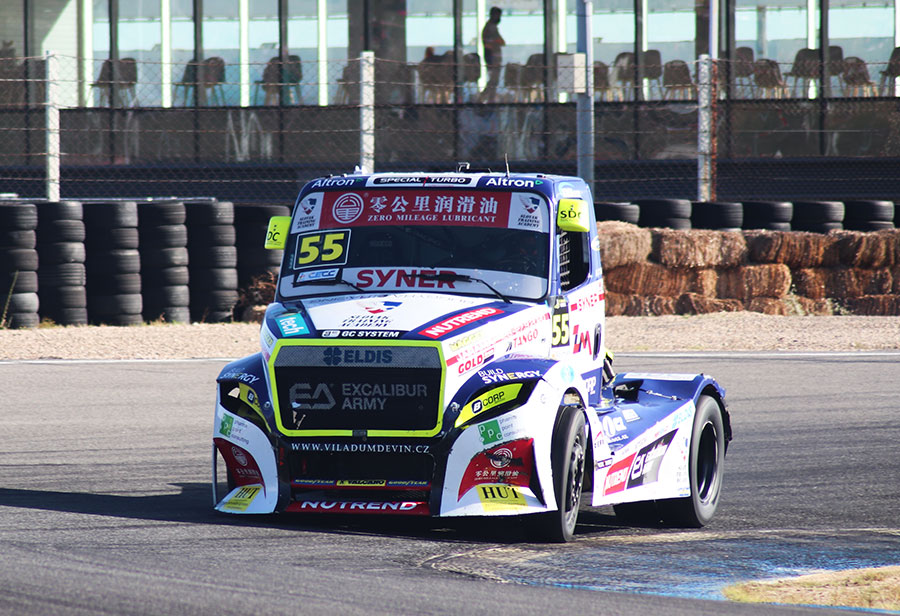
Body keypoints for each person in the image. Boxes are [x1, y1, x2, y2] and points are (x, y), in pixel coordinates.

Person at [480, 7, 505, 103]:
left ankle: (489, 99)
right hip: (492, 58)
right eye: (498, 15)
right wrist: (496, 42)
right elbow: (490, 43)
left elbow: (502, 42)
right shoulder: (490, 28)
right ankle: (486, 99)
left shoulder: (492, 27)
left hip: (494, 58)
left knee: (494, 81)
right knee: (493, 81)